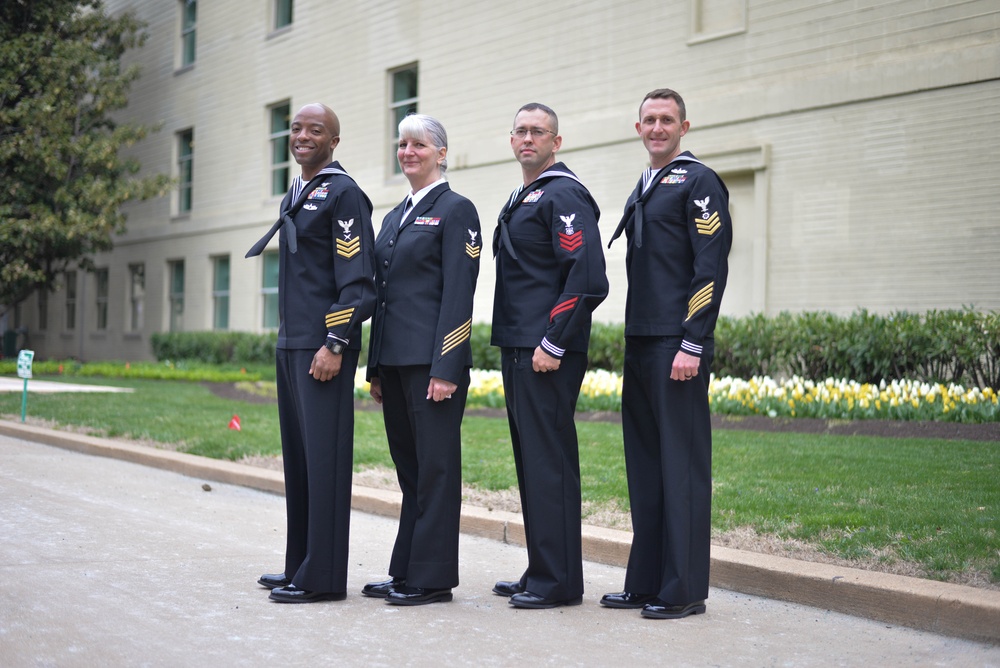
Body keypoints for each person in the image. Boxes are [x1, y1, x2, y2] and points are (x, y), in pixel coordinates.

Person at [602, 88, 732, 619]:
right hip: (642, 340)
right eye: (649, 120)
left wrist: (692, 341)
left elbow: (711, 266)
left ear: (684, 126)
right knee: (648, 466)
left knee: (680, 467)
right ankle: (647, 579)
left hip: (676, 344)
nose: (657, 128)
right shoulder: (647, 183)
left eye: (667, 120)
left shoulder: (698, 181)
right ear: (638, 128)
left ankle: (682, 590)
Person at [246, 103, 375, 603]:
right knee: (299, 463)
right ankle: (299, 564)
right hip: (292, 343)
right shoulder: (297, 192)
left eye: (315, 130)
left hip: (323, 348)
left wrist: (335, 343)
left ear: (333, 142)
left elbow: (358, 284)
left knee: (324, 464)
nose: (302, 135)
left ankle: (321, 578)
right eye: (296, 128)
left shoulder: (343, 194)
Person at [490, 103, 609, 609]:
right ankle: (543, 567)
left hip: (545, 350)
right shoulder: (528, 193)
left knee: (550, 462)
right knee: (532, 462)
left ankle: (558, 582)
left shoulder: (563, 193)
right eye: (520, 131)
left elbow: (584, 275)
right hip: (521, 345)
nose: (527, 139)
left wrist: (553, 341)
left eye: (538, 132)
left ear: (556, 142)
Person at [362, 114, 481, 606]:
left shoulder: (457, 210)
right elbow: (382, 296)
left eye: (419, 144)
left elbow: (460, 293)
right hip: (394, 365)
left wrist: (446, 368)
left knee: (435, 471)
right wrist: (374, 368)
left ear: (441, 153)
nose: (408, 151)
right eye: (402, 144)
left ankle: (432, 579)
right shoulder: (394, 216)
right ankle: (406, 569)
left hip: (433, 366)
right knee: (409, 472)